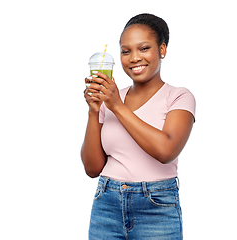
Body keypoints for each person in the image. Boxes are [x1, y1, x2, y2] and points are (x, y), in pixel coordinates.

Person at [81, 13, 196, 239]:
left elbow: (166, 151)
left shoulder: (179, 97)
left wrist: (117, 107)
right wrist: (94, 111)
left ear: (162, 50)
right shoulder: (110, 101)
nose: (134, 58)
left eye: (144, 48)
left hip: (156, 207)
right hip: (107, 203)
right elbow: (92, 169)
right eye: (126, 51)